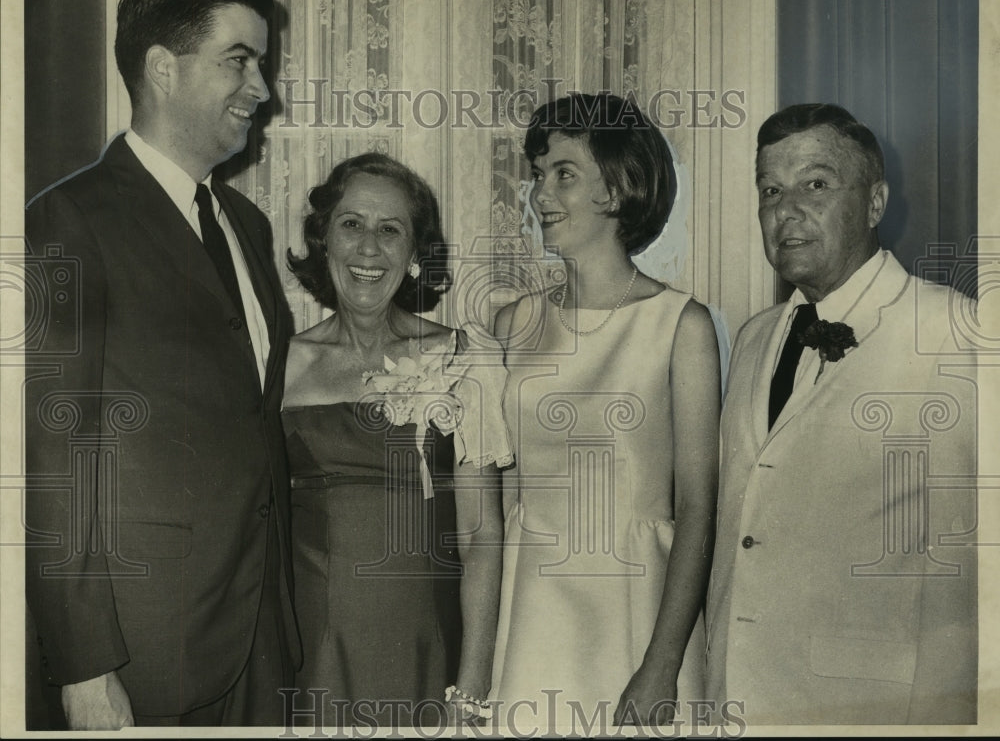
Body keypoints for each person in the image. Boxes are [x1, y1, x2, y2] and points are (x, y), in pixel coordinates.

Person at [24, 0, 299, 728]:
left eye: (263, 64)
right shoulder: (67, 221)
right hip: (144, 650)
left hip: (260, 638)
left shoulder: (246, 225)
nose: (262, 89)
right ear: (162, 68)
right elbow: (54, 457)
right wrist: (84, 668)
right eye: (239, 61)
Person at [705, 103, 978, 724]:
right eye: (770, 189)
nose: (785, 209)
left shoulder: (958, 333)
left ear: (875, 203)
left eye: (816, 184)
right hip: (737, 699)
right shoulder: (753, 338)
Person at [489, 93, 720, 731]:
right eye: (538, 174)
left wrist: (663, 663)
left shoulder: (682, 326)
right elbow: (504, 495)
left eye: (564, 172)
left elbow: (699, 507)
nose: (540, 194)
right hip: (533, 608)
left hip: (637, 611)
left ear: (620, 188)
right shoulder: (513, 323)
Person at [282, 152, 513, 727]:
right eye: (351, 224)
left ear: (414, 256)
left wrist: (474, 683)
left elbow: (482, 536)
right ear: (324, 241)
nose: (368, 247)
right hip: (311, 648)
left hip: (429, 646)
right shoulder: (278, 366)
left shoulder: (463, 358)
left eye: (391, 230)